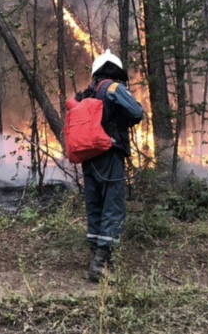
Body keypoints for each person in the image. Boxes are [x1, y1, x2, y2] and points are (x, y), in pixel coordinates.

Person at [69, 50, 143, 282]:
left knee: (95, 206)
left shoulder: (85, 94)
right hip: (109, 155)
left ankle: (96, 257)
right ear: (114, 70)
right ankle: (101, 265)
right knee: (113, 206)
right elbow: (137, 112)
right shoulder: (113, 89)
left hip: (88, 157)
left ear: (96, 71)